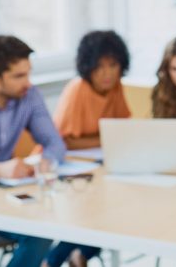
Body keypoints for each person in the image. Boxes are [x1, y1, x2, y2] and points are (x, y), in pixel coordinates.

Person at [42, 30, 131, 267]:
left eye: (113, 65)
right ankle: (55, 260)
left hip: (98, 168)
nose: (107, 73)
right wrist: (105, 137)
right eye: (99, 66)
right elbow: (65, 141)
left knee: (110, 213)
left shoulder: (116, 88)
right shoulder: (78, 89)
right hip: (65, 169)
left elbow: (122, 127)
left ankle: (77, 256)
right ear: (87, 66)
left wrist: (108, 137)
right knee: (93, 216)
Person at [0, 35, 66, 267]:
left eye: (28, 73)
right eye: (18, 76)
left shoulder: (29, 96)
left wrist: (46, 162)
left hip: (0, 198)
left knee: (41, 231)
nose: (27, 82)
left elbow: (55, 143)